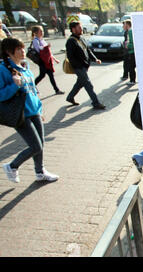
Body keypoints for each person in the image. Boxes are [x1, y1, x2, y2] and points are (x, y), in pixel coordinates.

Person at [1, 38, 59, 183]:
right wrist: (14, 85)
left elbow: (33, 90)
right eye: (19, 49)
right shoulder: (3, 69)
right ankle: (12, 166)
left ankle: (40, 172)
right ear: (9, 52)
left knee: (40, 144)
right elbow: (1, 94)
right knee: (35, 146)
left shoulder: (24, 67)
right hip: (20, 114)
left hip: (34, 111)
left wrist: (39, 109)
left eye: (23, 48)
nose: (23, 51)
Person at [65, 21, 105, 109]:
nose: (81, 29)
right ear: (73, 29)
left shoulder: (81, 38)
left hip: (84, 66)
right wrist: (78, 66)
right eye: (79, 27)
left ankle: (70, 97)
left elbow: (88, 50)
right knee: (88, 85)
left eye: (81, 27)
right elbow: (70, 57)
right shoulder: (71, 41)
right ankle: (96, 103)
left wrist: (95, 59)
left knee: (79, 83)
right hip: (79, 67)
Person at [31, 25, 64, 95]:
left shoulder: (42, 40)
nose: (42, 32)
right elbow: (39, 50)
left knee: (49, 75)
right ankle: (32, 86)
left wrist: (55, 59)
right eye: (41, 31)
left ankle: (57, 90)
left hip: (47, 61)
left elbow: (48, 52)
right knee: (42, 75)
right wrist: (45, 47)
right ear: (36, 33)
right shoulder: (35, 40)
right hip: (42, 61)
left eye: (42, 31)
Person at [125, 20, 136, 86]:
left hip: (132, 52)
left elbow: (132, 42)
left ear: (127, 25)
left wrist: (127, 45)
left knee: (131, 66)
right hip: (131, 51)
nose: (123, 26)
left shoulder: (130, 31)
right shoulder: (130, 31)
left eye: (125, 24)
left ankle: (132, 80)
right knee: (131, 66)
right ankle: (132, 79)